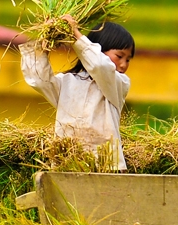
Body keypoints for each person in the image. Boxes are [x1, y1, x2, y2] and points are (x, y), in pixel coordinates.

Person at [20, 14, 134, 171]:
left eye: (128, 59)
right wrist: (42, 45)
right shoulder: (67, 82)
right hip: (67, 163)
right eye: (120, 56)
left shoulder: (118, 84)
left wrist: (74, 34)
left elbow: (100, 66)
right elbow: (39, 80)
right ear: (98, 48)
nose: (123, 64)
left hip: (106, 165)